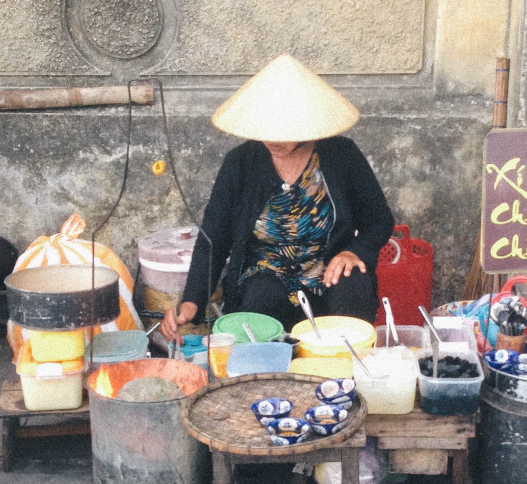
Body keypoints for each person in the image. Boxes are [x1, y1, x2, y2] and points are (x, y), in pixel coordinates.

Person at [161, 54, 395, 341]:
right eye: (266, 129)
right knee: (261, 303)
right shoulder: (240, 163)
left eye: (285, 130)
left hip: (328, 271)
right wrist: (191, 302)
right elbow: (214, 238)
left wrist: (354, 252)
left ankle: (343, 377)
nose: (274, 140)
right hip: (265, 276)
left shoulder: (341, 156)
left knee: (352, 290)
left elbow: (378, 221)